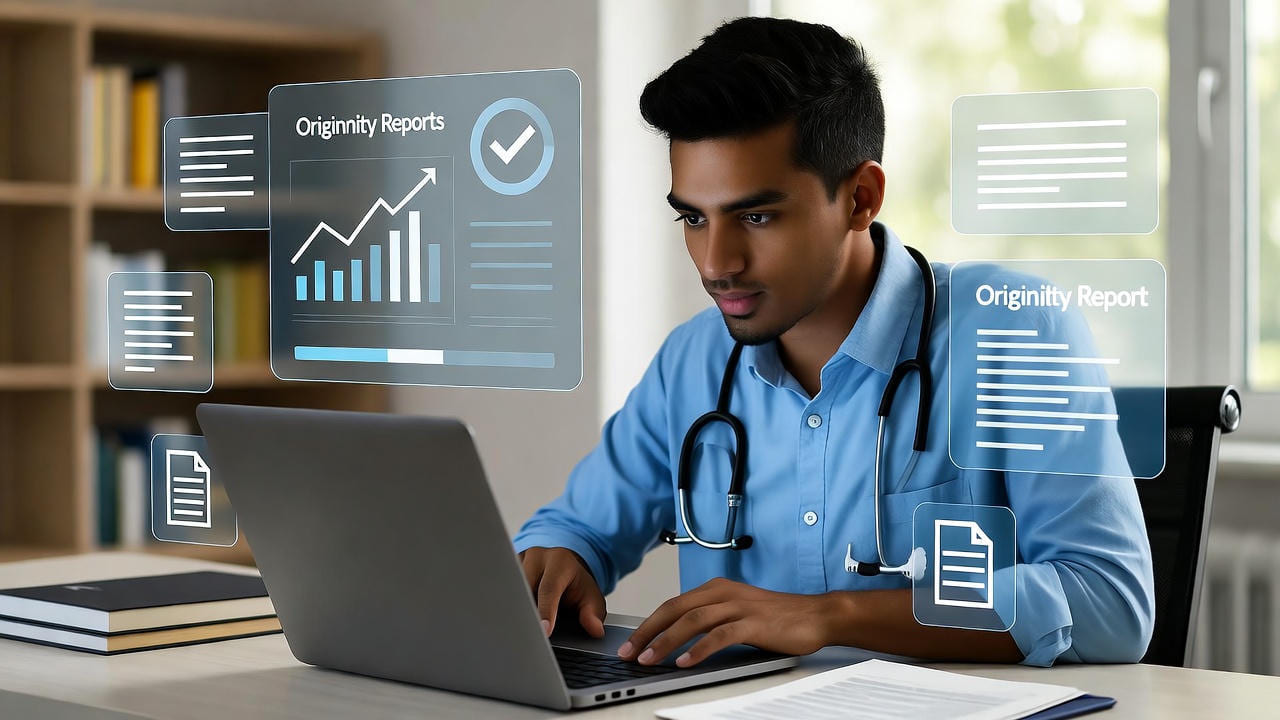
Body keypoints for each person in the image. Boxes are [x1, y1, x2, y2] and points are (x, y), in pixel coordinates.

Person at [514, 16, 1154, 669]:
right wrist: (559, 560)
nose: (715, 262)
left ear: (860, 198)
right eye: (693, 217)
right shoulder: (692, 363)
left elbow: (1110, 603)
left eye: (756, 216)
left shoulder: (1013, 332)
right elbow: (574, 529)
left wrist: (830, 616)